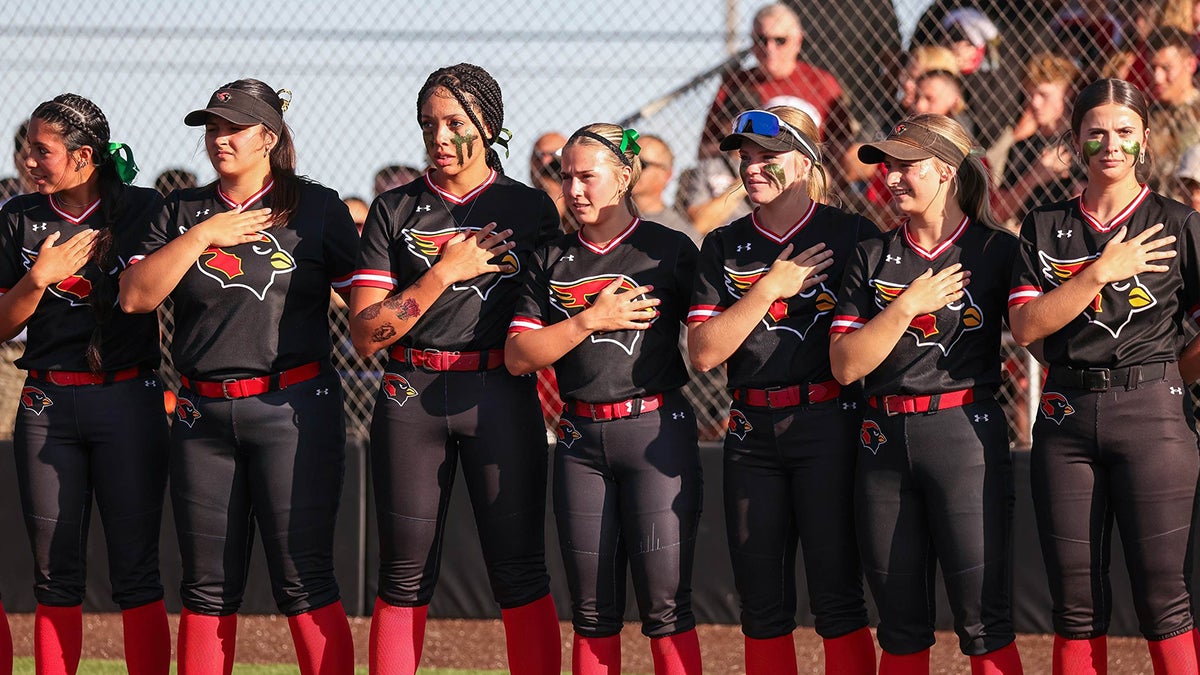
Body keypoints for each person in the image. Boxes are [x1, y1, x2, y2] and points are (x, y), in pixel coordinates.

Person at [118, 78, 358, 675]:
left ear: (269, 138)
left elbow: (366, 306)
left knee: (305, 580)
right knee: (205, 588)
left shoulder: (317, 207)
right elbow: (135, 297)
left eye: (235, 128)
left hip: (293, 409)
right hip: (201, 415)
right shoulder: (180, 210)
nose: (219, 139)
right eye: (213, 129)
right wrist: (203, 235)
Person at [349, 62, 562, 675]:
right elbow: (365, 335)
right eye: (428, 124)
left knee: (520, 570)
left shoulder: (530, 208)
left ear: (488, 126)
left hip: (500, 392)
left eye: (454, 123)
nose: (439, 137)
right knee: (402, 572)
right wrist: (444, 271)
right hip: (410, 393)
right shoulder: (394, 208)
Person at [1009, 78, 1200, 675]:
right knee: (1075, 607)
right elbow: (1025, 326)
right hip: (1066, 418)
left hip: (1155, 417)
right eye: (1096, 133)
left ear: (1144, 138)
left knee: (1163, 599)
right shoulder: (1044, 225)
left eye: (1124, 132)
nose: (1111, 145)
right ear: (1075, 142)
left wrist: (1169, 374)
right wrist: (1099, 272)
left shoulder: (1178, 222)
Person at [829, 114, 1024, 674]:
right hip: (883, 442)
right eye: (887, 166)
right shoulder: (871, 253)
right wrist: (907, 306)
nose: (890, 177)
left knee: (984, 621)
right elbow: (844, 365)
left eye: (904, 165)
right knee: (899, 625)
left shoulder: (996, 250)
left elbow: (1038, 336)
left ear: (945, 171)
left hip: (964, 437)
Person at [506, 123, 702, 675]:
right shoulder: (550, 256)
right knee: (592, 612)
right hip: (580, 441)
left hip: (656, 433)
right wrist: (590, 320)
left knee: (666, 606)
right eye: (564, 176)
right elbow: (519, 355)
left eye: (586, 176)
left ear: (624, 176)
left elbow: (711, 343)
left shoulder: (668, 249)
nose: (573, 189)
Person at [687, 106, 876, 675]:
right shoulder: (723, 244)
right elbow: (704, 352)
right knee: (761, 603)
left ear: (806, 161)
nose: (752, 167)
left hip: (830, 424)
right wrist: (769, 288)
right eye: (746, 157)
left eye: (768, 156)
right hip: (751, 433)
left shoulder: (852, 234)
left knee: (838, 598)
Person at [0, 93, 169, 675]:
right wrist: (38, 278)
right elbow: (2, 325)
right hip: (47, 403)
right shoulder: (18, 216)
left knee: (136, 571)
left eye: (41, 150)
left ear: (84, 156)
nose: (28, 160)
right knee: (54, 574)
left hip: (128, 399)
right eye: (27, 148)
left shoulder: (144, 208)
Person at [699, 3, 851, 159]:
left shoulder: (821, 83)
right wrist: (739, 148)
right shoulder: (735, 84)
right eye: (761, 39)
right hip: (751, 170)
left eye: (780, 40)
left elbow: (844, 145)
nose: (769, 48)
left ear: (798, 41)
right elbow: (703, 150)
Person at [994, 53, 1083, 228]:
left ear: (1067, 93)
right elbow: (998, 214)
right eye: (1030, 94)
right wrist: (1034, 176)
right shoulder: (1022, 147)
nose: (1034, 102)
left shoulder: (1082, 142)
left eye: (1043, 95)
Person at [1146, 27, 1200, 200]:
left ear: (1190, 64)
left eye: (1166, 68)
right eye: (1152, 67)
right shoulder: (1144, 118)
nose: (1157, 77)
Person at [632, 134, 701, 247]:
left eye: (642, 164)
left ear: (666, 175)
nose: (632, 168)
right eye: (629, 160)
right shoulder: (607, 214)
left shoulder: (680, 235)